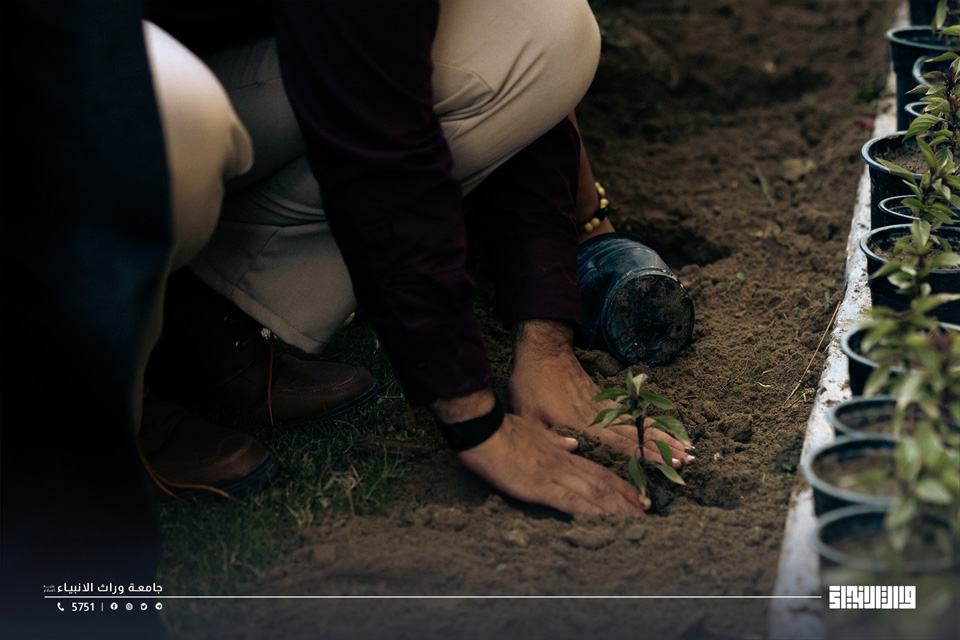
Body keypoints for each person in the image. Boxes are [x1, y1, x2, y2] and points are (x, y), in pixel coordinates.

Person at [144, 0, 693, 517]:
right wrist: (472, 416)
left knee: (548, 30)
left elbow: (525, 89)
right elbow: (378, 132)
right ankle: (113, 380)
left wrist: (544, 337)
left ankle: (196, 305)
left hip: (254, 39)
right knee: (182, 125)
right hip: (126, 71)